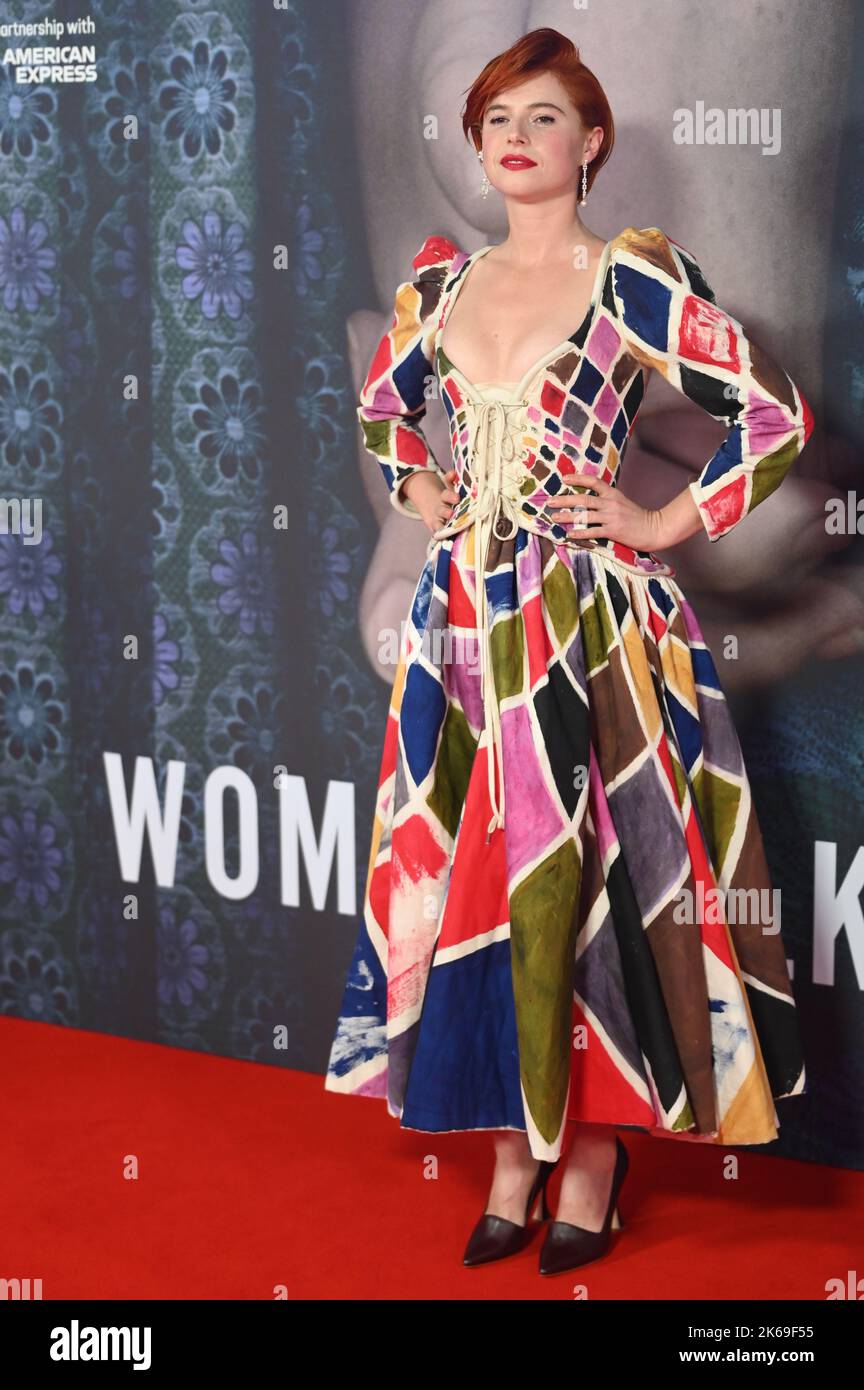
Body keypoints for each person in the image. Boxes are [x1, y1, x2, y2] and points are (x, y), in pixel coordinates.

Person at [325, 28, 811, 1276]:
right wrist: (420, 492)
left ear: (592, 144)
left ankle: (590, 1155)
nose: (514, 139)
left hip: (586, 626)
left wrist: (657, 520)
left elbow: (773, 417)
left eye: (543, 119)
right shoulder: (440, 286)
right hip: (460, 629)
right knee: (478, 882)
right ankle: (508, 1146)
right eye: (497, 119)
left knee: (586, 882)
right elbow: (385, 413)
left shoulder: (629, 286)